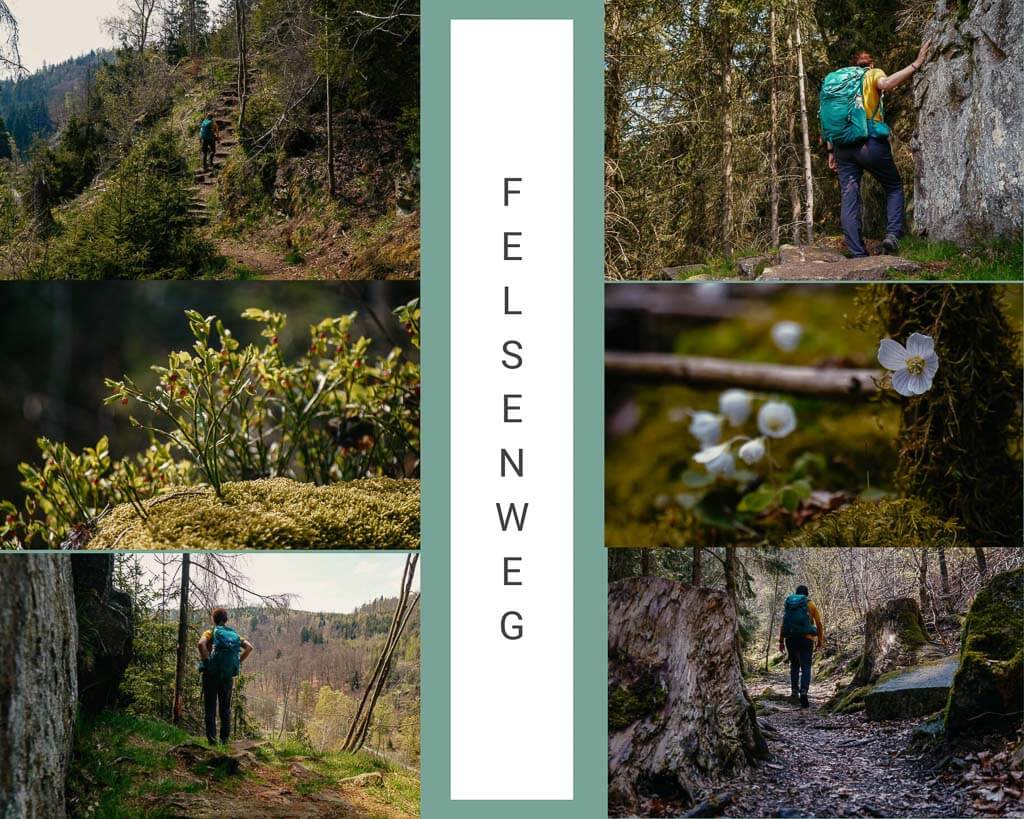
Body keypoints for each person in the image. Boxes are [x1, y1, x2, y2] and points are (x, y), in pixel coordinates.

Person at [823, 40, 931, 258]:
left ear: (853, 65)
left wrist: (831, 151)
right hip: (869, 143)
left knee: (849, 196)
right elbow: (887, 83)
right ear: (870, 65)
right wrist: (916, 63)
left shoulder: (838, 84)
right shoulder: (872, 74)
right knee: (893, 185)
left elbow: (828, 119)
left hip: (842, 147)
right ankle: (892, 235)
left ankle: (857, 252)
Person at [197, 607, 253, 745]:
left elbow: (201, 644)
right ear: (226, 619)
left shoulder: (210, 632)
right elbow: (249, 647)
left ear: (214, 619)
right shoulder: (234, 635)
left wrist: (206, 662)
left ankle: (212, 742)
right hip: (227, 676)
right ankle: (224, 741)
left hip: (211, 675)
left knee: (210, 709)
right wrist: (237, 662)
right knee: (225, 709)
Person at [777, 584, 824, 709]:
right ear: (807, 594)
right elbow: (819, 623)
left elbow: (784, 623)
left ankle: (794, 692)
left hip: (791, 639)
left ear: (796, 593)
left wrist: (781, 641)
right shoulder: (811, 604)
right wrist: (820, 640)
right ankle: (803, 692)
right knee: (806, 666)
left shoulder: (790, 605)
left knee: (794, 665)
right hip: (806, 639)